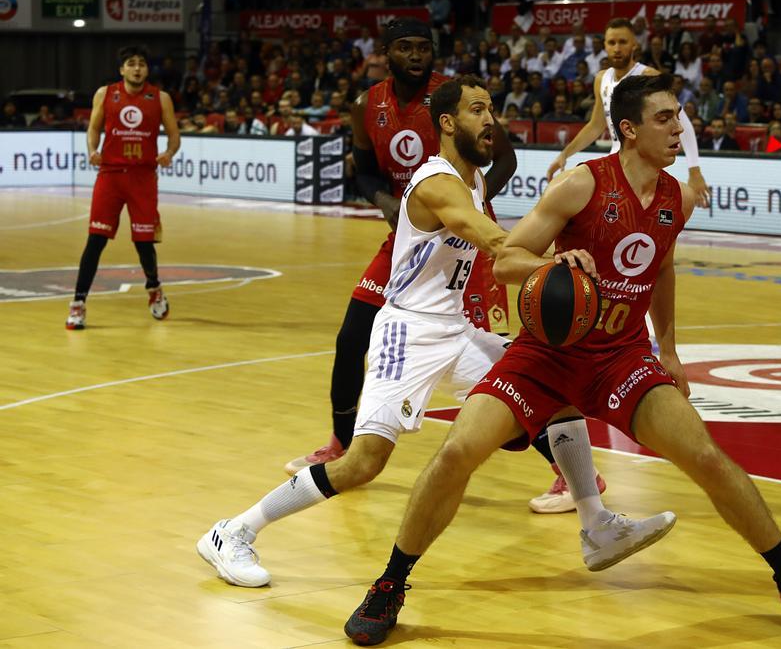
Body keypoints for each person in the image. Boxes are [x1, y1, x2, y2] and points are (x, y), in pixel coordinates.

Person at [341, 73, 781, 645]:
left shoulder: (675, 198)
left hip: (622, 354)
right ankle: (390, 584)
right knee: (456, 453)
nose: (678, 127)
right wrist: (554, 267)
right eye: (665, 118)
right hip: (548, 355)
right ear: (631, 129)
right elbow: (510, 259)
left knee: (707, 458)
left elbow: (660, 266)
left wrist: (670, 347)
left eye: (679, 115)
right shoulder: (580, 184)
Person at [197, 76, 652, 590]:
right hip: (407, 331)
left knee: (555, 390)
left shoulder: (476, 178)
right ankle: (233, 531)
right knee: (363, 463)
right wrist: (549, 260)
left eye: (492, 109)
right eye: (478, 110)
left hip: (455, 330)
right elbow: (484, 235)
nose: (491, 120)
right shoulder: (436, 181)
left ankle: (596, 524)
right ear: (447, 122)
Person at [283, 20, 589, 514]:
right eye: (405, 47)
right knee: (351, 342)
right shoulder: (372, 106)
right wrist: (393, 200)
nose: (415, 55)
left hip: (463, 245)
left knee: (529, 374)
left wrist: (478, 207)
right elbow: (362, 170)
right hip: (420, 257)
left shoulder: (459, 105)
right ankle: (336, 449)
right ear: (387, 54)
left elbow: (499, 168)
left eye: (423, 47)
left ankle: (586, 498)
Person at [66, 45, 180, 330]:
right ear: (122, 69)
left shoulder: (161, 98)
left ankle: (154, 288)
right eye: (131, 63)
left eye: (142, 63)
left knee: (144, 243)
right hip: (111, 175)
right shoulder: (105, 94)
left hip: (142, 178)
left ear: (147, 70)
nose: (137, 68)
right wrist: (92, 149)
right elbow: (94, 128)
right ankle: (78, 304)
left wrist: (168, 153)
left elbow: (175, 136)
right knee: (95, 240)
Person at [546, 18, 709, 207]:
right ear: (604, 46)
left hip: (641, 165)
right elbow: (596, 125)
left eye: (622, 42)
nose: (616, 48)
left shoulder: (648, 76)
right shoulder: (601, 78)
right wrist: (565, 155)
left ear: (634, 44)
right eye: (611, 42)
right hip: (616, 160)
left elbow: (682, 121)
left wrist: (694, 170)